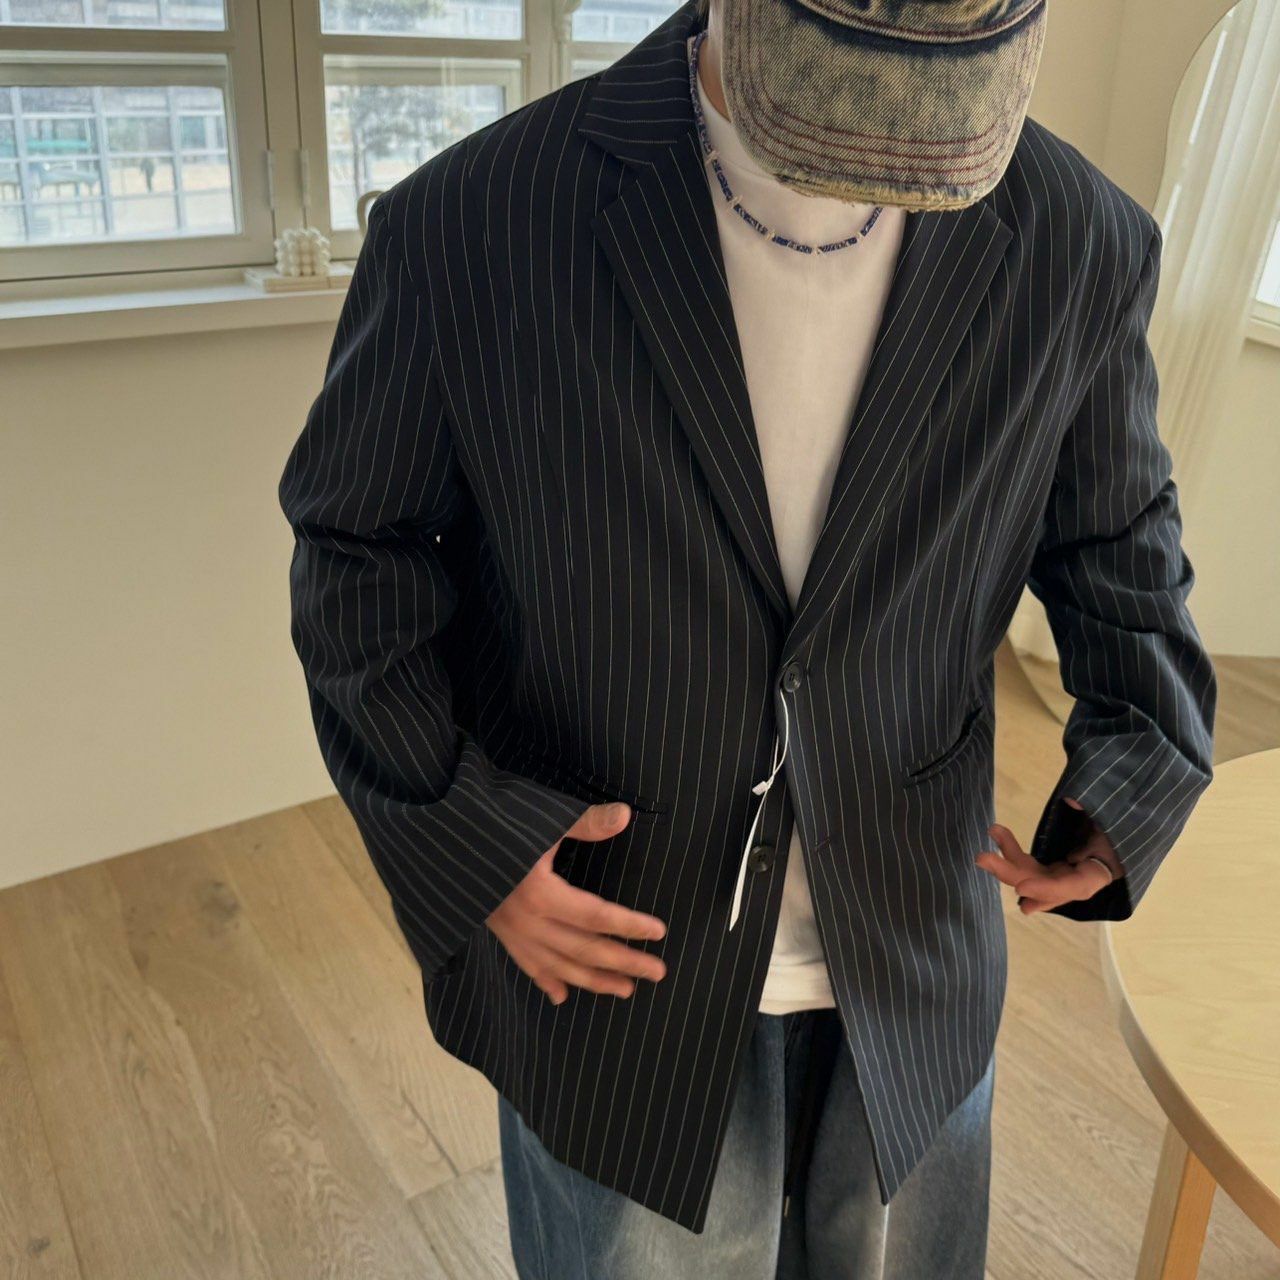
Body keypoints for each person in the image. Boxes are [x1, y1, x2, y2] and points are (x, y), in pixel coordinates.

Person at [276, 0, 1217, 1274]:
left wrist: (1134, 768)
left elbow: (1118, 537)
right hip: (608, 953)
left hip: (916, 936)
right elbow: (358, 548)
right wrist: (465, 839)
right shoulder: (474, 220)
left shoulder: (1079, 241)